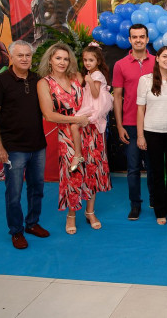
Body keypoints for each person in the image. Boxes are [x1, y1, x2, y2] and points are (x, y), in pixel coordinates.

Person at [37, 42, 111, 234]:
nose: (62, 62)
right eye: (58, 58)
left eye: (66, 58)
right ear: (50, 60)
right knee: (73, 174)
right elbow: (49, 115)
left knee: (93, 171)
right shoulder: (44, 83)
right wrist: (76, 119)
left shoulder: (77, 76)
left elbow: (96, 96)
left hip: (92, 131)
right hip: (68, 134)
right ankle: (71, 215)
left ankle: (90, 211)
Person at [0, 41, 48, 249]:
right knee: (14, 193)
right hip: (13, 148)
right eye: (20, 55)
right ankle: (16, 231)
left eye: (28, 55)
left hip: (38, 146)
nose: (24, 59)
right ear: (11, 58)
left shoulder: (38, 80)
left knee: (37, 188)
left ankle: (32, 223)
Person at [137, 46, 167, 226]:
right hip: (152, 133)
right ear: (157, 58)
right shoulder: (145, 80)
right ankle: (160, 211)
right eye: (164, 56)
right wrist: (140, 135)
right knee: (157, 173)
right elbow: (140, 110)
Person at [113, 24, 155, 220]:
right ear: (129, 40)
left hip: (154, 123)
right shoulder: (120, 65)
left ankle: (155, 199)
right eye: (134, 37)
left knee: (154, 166)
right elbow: (117, 97)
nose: (138, 40)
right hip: (130, 123)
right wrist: (119, 125)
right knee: (133, 168)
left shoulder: (157, 62)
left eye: (142, 36)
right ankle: (135, 204)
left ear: (147, 39)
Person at [69, 44, 113, 173]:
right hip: (90, 104)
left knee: (74, 126)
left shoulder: (97, 75)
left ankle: (78, 154)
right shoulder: (91, 73)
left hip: (95, 106)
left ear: (98, 61)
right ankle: (79, 154)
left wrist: (89, 81)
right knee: (76, 127)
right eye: (85, 60)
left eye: (91, 60)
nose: (87, 63)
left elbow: (95, 94)